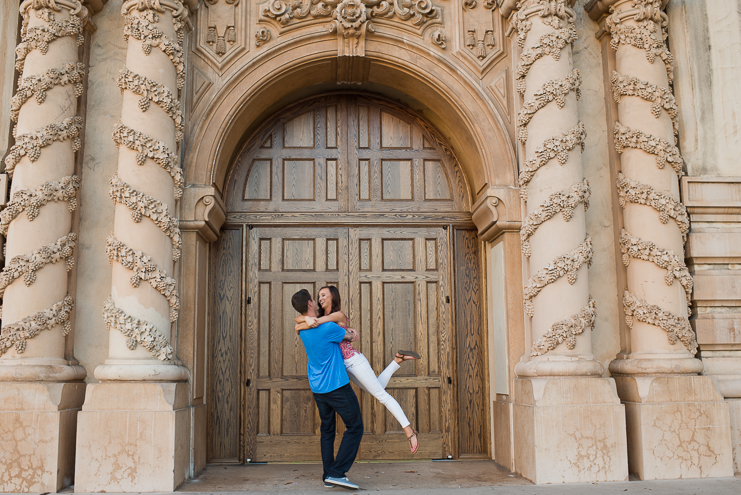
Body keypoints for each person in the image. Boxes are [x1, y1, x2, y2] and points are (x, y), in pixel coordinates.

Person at [295, 286, 421, 454]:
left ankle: (409, 431)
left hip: (354, 361)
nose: (320, 298)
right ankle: (397, 360)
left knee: (382, 396)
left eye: (324, 294)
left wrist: (307, 322)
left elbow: (307, 322)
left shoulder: (337, 315)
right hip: (342, 367)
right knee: (378, 389)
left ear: (333, 296)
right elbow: (298, 321)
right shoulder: (319, 318)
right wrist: (304, 322)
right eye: (318, 296)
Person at [291, 288, 362, 490]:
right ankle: (337, 473)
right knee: (355, 427)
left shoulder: (303, 329)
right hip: (337, 386)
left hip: (318, 389)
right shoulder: (327, 328)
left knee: (327, 431)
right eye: (314, 299)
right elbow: (349, 336)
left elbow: (299, 323)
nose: (317, 300)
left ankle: (328, 476)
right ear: (311, 304)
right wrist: (350, 332)